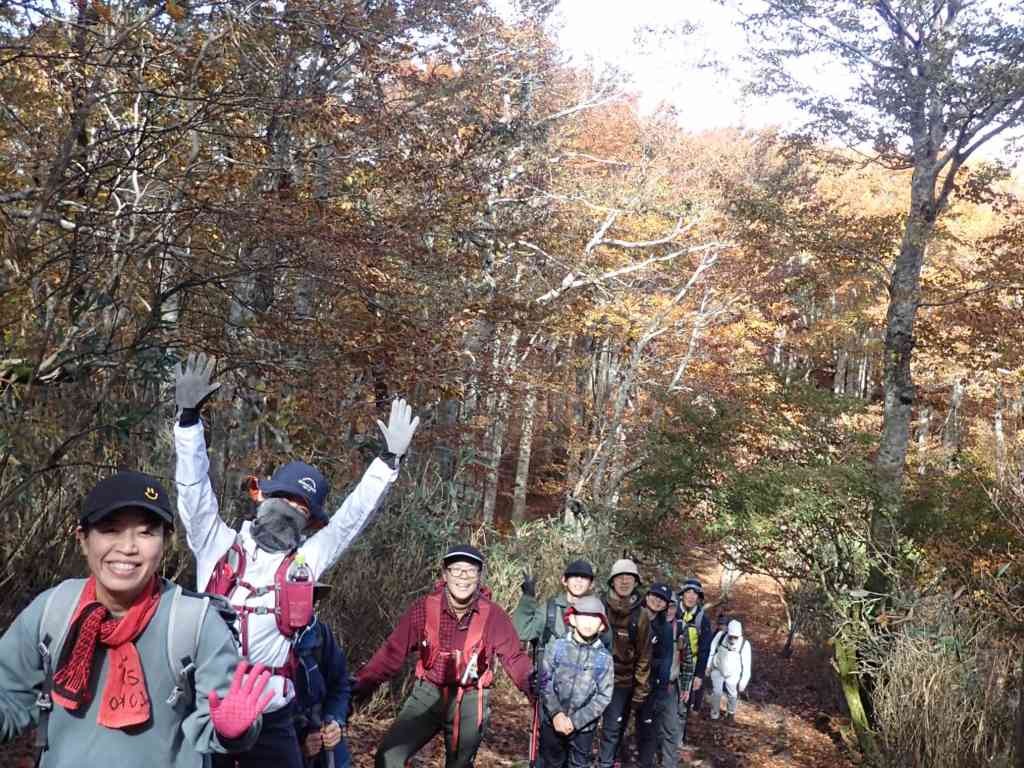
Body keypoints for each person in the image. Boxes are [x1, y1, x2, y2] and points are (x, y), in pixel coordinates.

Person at [171, 352, 419, 768]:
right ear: (261, 496)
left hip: (272, 720)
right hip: (206, 707)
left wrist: (388, 463)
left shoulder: (305, 563)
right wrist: (188, 421)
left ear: (310, 522)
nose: (290, 510)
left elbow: (348, 522)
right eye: (283, 498)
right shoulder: (215, 544)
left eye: (301, 508)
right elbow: (193, 486)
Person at [0, 470, 273, 768]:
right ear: (83, 539)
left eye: (145, 532)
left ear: (166, 541)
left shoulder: (195, 622)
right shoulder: (53, 610)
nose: (128, 547)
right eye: (110, 530)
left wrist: (232, 732)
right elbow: (9, 699)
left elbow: (218, 723)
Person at [353, 544, 535, 768]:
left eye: (470, 571)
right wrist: (360, 685)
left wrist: (533, 687)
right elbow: (391, 653)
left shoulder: (493, 615)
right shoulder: (424, 609)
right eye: (456, 570)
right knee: (389, 757)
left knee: (459, 764)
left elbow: (515, 657)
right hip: (428, 692)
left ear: (479, 577)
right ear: (445, 574)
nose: (463, 577)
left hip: (470, 698)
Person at [538, 595, 614, 768]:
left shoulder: (604, 658)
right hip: (552, 722)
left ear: (602, 625)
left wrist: (575, 721)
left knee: (577, 764)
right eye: (583, 616)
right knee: (550, 763)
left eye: (594, 618)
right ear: (572, 619)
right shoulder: (557, 647)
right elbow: (544, 680)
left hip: (583, 729)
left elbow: (604, 697)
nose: (588, 622)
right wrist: (556, 713)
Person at [597, 558, 652, 768]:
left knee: (612, 730)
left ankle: (606, 764)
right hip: (592, 677)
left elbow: (644, 655)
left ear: (636, 582)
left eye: (629, 578)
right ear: (612, 581)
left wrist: (640, 689)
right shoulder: (599, 606)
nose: (624, 581)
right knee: (584, 727)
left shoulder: (641, 615)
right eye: (620, 577)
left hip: (622, 681)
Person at [293, 604, 351, 768]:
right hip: (284, 740)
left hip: (323, 733)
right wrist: (299, 746)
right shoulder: (260, 644)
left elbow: (339, 684)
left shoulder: (319, 633)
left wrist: (335, 720)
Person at [514, 560, 595, 648]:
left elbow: (606, 647)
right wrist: (528, 597)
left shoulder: (596, 612)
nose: (579, 580)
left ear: (591, 584)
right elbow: (522, 632)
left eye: (584, 577)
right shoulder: (550, 609)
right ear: (564, 580)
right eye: (574, 575)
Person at [635, 584, 674, 768]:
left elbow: (666, 659)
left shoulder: (665, 629)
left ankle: (644, 763)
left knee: (647, 729)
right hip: (627, 679)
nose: (657, 601)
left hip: (651, 683)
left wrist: (661, 691)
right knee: (617, 725)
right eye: (655, 596)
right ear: (647, 595)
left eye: (662, 599)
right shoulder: (633, 615)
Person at [656, 593, 694, 768]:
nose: (669, 610)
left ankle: (668, 764)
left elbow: (686, 660)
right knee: (648, 727)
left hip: (671, 687)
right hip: (649, 686)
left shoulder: (681, 628)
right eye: (666, 606)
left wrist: (686, 688)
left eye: (672, 606)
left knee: (671, 729)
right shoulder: (649, 623)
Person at [678, 578, 712, 726]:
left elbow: (705, 649)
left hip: (690, 666)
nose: (691, 596)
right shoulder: (672, 611)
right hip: (671, 662)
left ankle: (677, 738)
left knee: (684, 702)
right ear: (682, 594)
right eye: (688, 592)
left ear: (699, 598)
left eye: (695, 594)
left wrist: (699, 675)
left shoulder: (702, 619)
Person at [706, 620, 752, 724]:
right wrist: (708, 666)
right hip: (717, 668)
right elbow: (712, 651)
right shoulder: (720, 636)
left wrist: (743, 683)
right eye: (731, 636)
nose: (733, 639)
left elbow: (747, 666)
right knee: (717, 692)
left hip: (733, 673)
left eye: (735, 637)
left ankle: (730, 713)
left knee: (732, 694)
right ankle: (714, 715)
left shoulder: (745, 644)